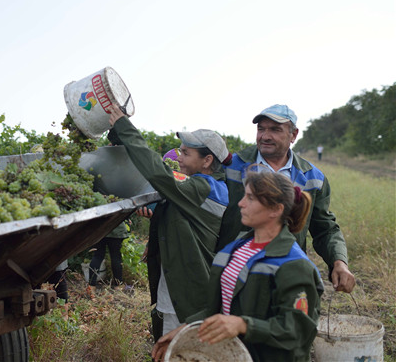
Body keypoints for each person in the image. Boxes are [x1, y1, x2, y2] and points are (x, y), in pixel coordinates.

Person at [152, 170, 324, 362]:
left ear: (276, 209)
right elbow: (220, 307)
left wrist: (244, 325)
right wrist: (185, 329)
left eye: (250, 198)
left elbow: (297, 331)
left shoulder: (293, 265)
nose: (241, 203)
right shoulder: (235, 249)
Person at [107, 103, 232, 340]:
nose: (179, 157)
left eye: (186, 153)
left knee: (179, 349)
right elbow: (188, 220)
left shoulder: (204, 188)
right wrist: (161, 216)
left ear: (206, 161)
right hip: (179, 285)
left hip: (186, 293)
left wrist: (125, 127)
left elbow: (159, 174)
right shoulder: (204, 188)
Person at [217, 104, 355, 293]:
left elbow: (325, 228)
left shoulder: (312, 177)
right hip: (232, 272)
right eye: (261, 129)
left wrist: (339, 261)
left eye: (275, 130)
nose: (265, 136)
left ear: (293, 135)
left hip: (283, 276)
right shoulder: (231, 166)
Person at [88, 220, 129, 288]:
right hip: (116, 229)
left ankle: (91, 286)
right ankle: (118, 285)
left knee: (97, 256)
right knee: (116, 257)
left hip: (99, 228)